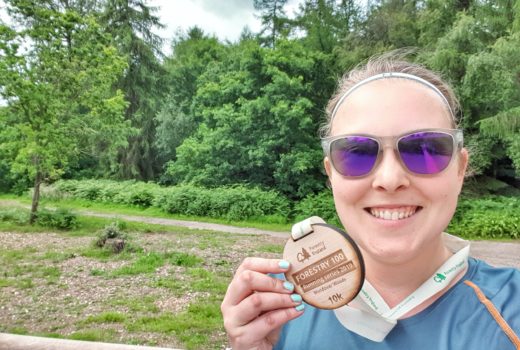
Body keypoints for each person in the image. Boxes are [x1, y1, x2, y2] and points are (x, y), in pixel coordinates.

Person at [220, 54, 520, 349]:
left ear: (460, 168)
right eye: (357, 154)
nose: (389, 179)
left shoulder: (513, 310)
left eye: (424, 149)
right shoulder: (277, 304)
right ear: (330, 174)